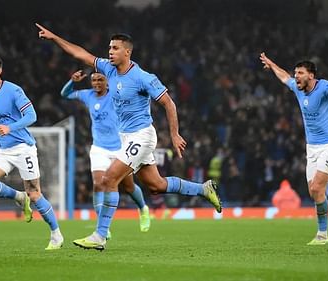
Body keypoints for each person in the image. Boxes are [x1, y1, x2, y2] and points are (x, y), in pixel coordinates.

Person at [36, 23, 222, 251]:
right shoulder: (108, 69)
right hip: (126, 137)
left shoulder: (143, 78)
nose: (110, 52)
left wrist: (174, 134)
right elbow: (81, 53)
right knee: (156, 185)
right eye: (109, 48)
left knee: (108, 179)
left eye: (115, 48)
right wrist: (55, 37)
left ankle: (100, 235)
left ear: (127, 52)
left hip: (142, 136)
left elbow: (168, 103)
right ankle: (203, 189)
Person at [259, 52, 328, 245]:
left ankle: (322, 235)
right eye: (296, 72)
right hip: (313, 147)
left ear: (311, 76)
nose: (296, 76)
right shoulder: (298, 88)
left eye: (300, 73)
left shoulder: (323, 87)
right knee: (315, 192)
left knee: (317, 188)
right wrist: (271, 64)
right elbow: (284, 76)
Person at [0, 54, 63, 250]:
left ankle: (56, 234)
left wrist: (11, 128)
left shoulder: (13, 91)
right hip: (2, 150)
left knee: (35, 194)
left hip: (23, 149)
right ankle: (19, 197)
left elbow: (32, 116)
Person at [60, 70, 151, 233]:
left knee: (129, 187)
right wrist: (72, 81)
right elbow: (65, 94)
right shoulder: (88, 95)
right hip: (99, 148)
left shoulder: (115, 94)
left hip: (120, 148)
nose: (96, 83)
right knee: (98, 184)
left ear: (107, 81)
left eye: (100, 80)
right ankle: (102, 226)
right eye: (94, 80)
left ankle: (143, 209)